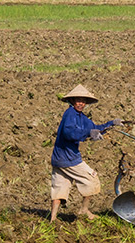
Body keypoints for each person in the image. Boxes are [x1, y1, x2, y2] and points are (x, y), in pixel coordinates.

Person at [50, 84, 116, 222]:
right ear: (73, 101)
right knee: (92, 179)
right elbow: (69, 133)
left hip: (58, 158)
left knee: (59, 187)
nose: (81, 103)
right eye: (78, 100)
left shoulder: (81, 117)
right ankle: (84, 210)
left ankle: (53, 219)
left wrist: (112, 123)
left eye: (83, 101)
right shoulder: (70, 114)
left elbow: (95, 128)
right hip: (69, 158)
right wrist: (88, 133)